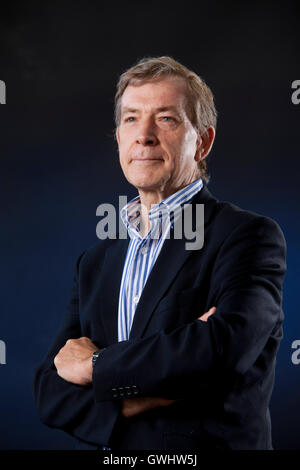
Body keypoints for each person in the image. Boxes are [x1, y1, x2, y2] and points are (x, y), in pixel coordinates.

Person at [33, 56, 286, 450]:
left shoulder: (248, 237)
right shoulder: (96, 262)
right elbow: (50, 392)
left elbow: (222, 350)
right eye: (131, 118)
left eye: (166, 118)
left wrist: (95, 367)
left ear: (202, 141)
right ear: (119, 138)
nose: (144, 135)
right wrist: (151, 391)